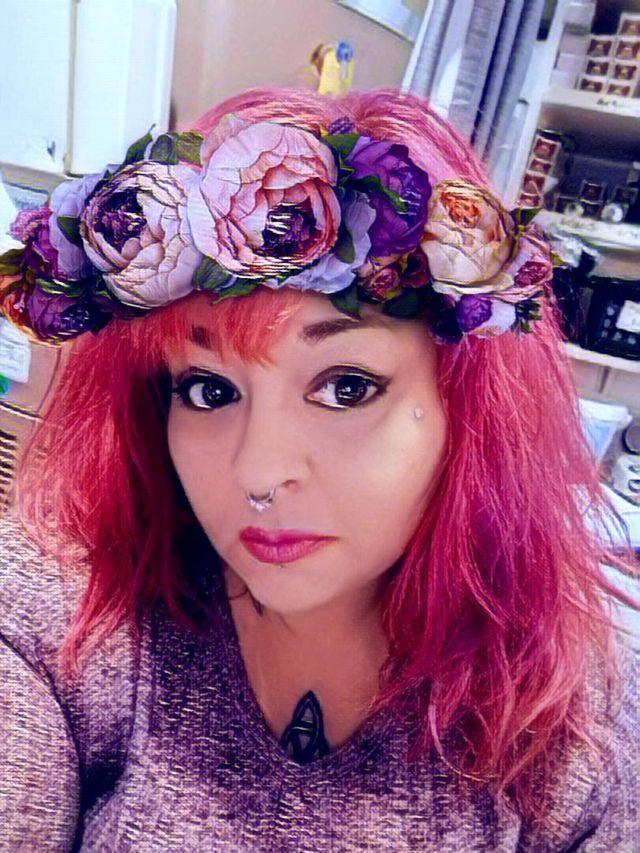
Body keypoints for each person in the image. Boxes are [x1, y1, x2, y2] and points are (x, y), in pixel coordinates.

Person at [0, 86, 638, 852]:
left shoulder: (578, 721)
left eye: (346, 387)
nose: (259, 472)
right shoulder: (68, 621)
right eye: (208, 391)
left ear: (464, 412)